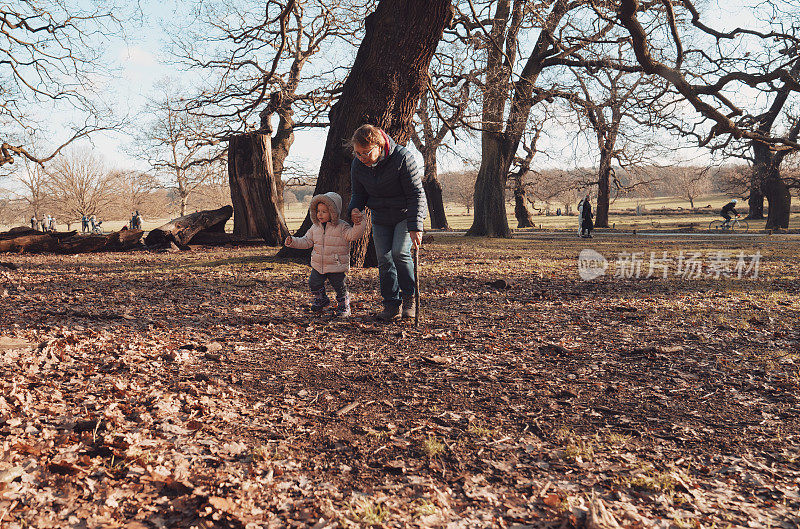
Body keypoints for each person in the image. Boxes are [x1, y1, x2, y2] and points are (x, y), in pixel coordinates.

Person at [347, 124, 427, 322]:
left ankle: (410, 299)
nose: (361, 157)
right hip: (380, 216)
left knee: (400, 253)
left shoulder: (402, 157)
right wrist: (354, 209)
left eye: (365, 153)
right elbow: (359, 193)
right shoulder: (358, 164)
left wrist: (416, 226)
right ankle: (391, 304)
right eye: (357, 153)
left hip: (404, 215)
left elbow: (417, 194)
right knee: (384, 258)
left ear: (379, 145)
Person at [284, 192, 365, 318]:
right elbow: (306, 241)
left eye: (324, 211)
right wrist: (293, 241)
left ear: (333, 212)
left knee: (339, 286)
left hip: (336, 265)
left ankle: (344, 305)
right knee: (313, 283)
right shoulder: (315, 227)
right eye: (318, 211)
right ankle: (321, 299)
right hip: (318, 264)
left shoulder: (342, 226)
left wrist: (359, 223)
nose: (320, 214)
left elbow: (353, 235)